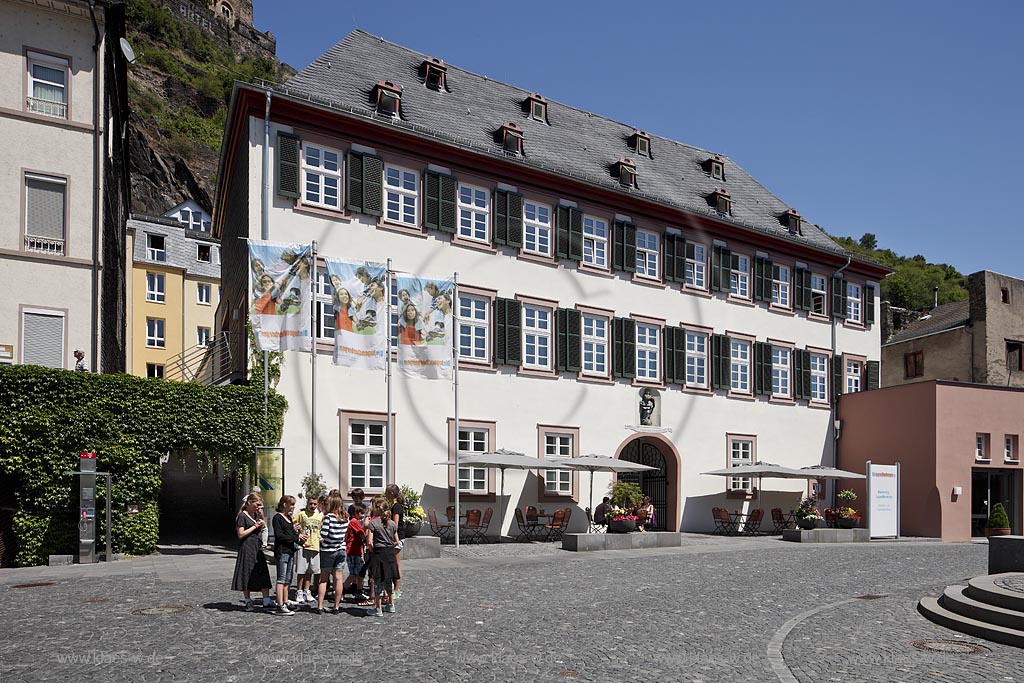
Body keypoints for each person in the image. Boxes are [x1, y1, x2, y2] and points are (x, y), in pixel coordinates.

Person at [231, 492, 272, 611]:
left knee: (262, 571)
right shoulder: (242, 516)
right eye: (257, 505)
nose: (258, 507)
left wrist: (261, 518)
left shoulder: (255, 515)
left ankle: (266, 600)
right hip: (247, 547)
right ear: (249, 503)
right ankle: (248, 600)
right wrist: (255, 526)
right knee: (246, 573)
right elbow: (241, 534)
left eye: (260, 505)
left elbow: (263, 528)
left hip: (257, 547)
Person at [364, 496, 400, 616]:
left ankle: (378, 608)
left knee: (378, 581)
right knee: (389, 580)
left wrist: (374, 549)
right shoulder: (392, 524)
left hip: (379, 554)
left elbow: (369, 542)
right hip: (390, 554)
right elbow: (397, 541)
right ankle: (391, 604)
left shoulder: (373, 523)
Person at [315, 493, 348, 614]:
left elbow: (324, 535)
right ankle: (336, 606)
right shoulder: (346, 517)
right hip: (341, 549)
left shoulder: (329, 517)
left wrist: (317, 537)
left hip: (328, 550)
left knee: (323, 579)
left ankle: (319, 606)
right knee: (338, 579)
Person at [271, 495, 304, 615]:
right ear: (284, 504)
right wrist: (295, 538)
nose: (293, 507)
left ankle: (285, 601)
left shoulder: (289, 518)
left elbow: (289, 533)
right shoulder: (278, 518)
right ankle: (280, 605)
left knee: (288, 579)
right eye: (292, 504)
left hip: (290, 551)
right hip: (282, 551)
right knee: (281, 578)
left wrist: (296, 532)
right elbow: (280, 535)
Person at [294, 495, 323, 604]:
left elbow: (319, 529)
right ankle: (299, 591)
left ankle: (307, 590)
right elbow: (293, 523)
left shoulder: (319, 516)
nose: (312, 506)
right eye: (310, 504)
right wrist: (299, 533)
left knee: (311, 570)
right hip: (303, 545)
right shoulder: (301, 515)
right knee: (302, 570)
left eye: (315, 504)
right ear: (307, 503)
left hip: (315, 546)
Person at [341, 502, 368, 600]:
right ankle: (340, 591)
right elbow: (362, 534)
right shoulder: (354, 522)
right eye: (361, 513)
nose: (363, 515)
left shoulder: (354, 522)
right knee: (354, 574)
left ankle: (358, 591)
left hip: (356, 551)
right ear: (354, 513)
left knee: (359, 573)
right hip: (353, 552)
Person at [384, 483, 405, 600]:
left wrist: (391, 536)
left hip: (397, 537)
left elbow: (395, 524)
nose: (385, 494)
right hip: (395, 537)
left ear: (391, 493)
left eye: (387, 492)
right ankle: (394, 587)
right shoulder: (393, 505)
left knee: (397, 564)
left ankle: (396, 589)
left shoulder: (396, 507)